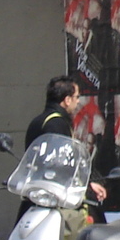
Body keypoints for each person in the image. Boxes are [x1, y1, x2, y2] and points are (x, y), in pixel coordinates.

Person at [20, 76, 107, 224]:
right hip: (53, 195)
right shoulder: (57, 123)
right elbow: (65, 162)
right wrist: (87, 185)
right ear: (67, 100)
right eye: (76, 97)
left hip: (36, 193)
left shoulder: (38, 121)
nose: (78, 101)